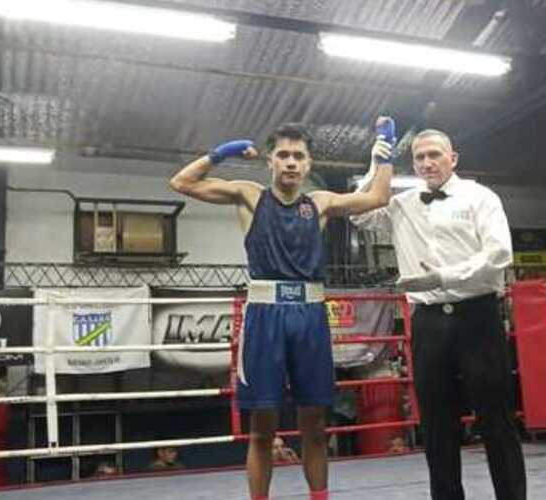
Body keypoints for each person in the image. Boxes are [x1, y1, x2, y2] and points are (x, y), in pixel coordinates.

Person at [169, 121, 394, 500]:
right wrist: (221, 153)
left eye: (299, 156)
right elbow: (181, 183)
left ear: (308, 164)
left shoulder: (319, 202)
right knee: (262, 427)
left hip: (309, 316)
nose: (291, 163)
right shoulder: (249, 195)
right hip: (265, 316)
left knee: (315, 423)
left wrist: (384, 149)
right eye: (284, 155)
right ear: (271, 160)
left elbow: (378, 198)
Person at [350, 129, 526, 500]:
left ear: (453, 158)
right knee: (436, 424)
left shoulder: (481, 197)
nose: (427, 163)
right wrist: (375, 166)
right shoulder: (402, 203)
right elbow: (360, 215)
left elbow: (499, 256)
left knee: (496, 419)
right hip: (428, 321)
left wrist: (444, 276)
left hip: (477, 315)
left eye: (435, 154)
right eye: (420, 157)